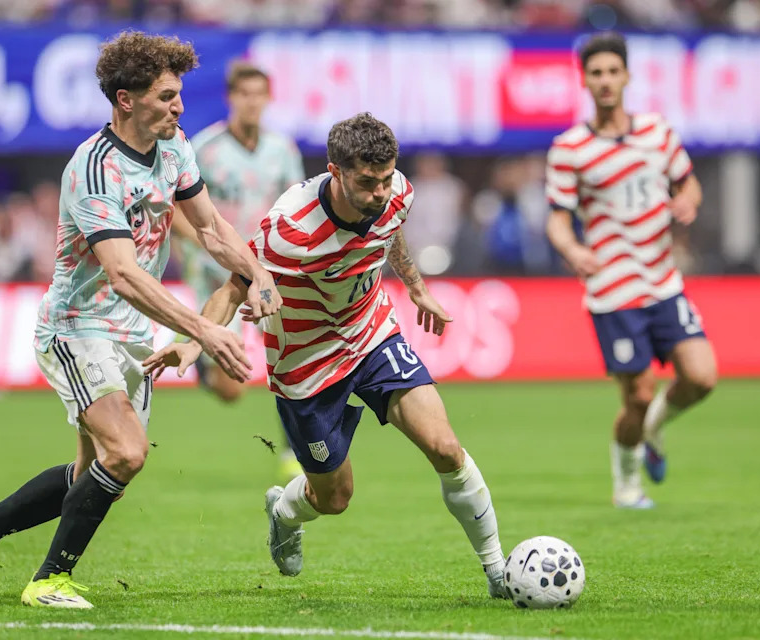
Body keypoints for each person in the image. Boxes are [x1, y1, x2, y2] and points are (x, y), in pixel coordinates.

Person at [0, 31, 281, 609]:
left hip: (131, 334)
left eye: (179, 95)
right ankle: (49, 580)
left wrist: (258, 272)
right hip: (78, 326)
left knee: (93, 472)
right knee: (126, 454)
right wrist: (203, 330)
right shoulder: (94, 169)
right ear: (126, 100)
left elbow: (214, 230)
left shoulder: (175, 149)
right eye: (167, 95)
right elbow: (121, 273)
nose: (178, 106)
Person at [149, 113, 507, 597]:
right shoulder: (289, 228)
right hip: (306, 364)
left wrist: (417, 288)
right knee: (334, 498)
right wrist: (196, 342)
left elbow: (391, 230)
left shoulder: (396, 190)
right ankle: (284, 512)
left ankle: (497, 572)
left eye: (385, 179)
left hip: (371, 334)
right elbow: (235, 288)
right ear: (335, 172)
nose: (380, 193)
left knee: (445, 448)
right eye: (367, 182)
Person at [544, 32, 717, 509]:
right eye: (596, 73)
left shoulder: (657, 133)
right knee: (637, 395)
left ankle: (654, 432)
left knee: (702, 377)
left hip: (662, 280)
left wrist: (687, 200)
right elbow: (557, 217)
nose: (604, 81)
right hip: (612, 289)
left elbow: (689, 185)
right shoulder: (570, 148)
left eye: (612, 72)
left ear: (627, 77)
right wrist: (573, 249)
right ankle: (626, 486)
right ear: (585, 81)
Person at [173, 60, 305, 479]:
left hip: (268, 272)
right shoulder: (205, 147)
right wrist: (203, 243)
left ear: (268, 99)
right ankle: (200, 360)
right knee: (232, 389)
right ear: (232, 98)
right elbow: (173, 206)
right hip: (215, 276)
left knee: (292, 361)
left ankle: (293, 449)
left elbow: (297, 207)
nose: (251, 102)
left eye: (258, 94)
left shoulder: (282, 151)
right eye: (243, 94)